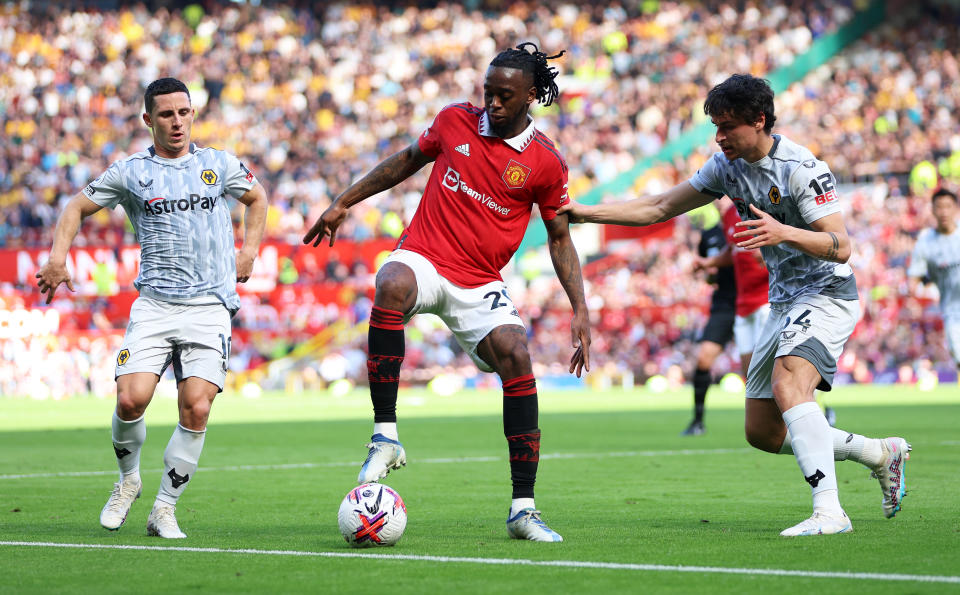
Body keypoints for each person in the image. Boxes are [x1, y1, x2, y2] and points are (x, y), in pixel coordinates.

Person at [560, 74, 910, 537]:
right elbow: (660, 206)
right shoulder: (726, 167)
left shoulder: (801, 168)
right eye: (715, 127)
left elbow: (842, 245)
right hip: (783, 302)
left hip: (828, 294)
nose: (719, 136)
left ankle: (830, 511)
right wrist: (586, 212)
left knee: (789, 381)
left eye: (727, 127)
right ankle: (879, 453)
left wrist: (785, 232)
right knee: (762, 432)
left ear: (759, 120)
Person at [303, 43, 590, 543]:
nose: (493, 104)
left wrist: (580, 308)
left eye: (504, 96)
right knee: (391, 282)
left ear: (530, 98)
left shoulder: (545, 163)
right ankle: (385, 435)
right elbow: (406, 161)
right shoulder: (455, 120)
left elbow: (561, 239)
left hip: (480, 281)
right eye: (488, 93)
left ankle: (523, 508)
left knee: (517, 356)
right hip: (426, 257)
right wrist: (343, 201)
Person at [36, 78, 268, 538]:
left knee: (196, 407)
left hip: (209, 306)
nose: (177, 122)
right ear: (148, 120)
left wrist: (249, 251)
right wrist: (57, 259)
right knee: (130, 398)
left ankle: (164, 508)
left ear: (193, 115)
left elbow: (257, 198)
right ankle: (128, 483)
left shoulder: (218, 164)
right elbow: (74, 209)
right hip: (156, 305)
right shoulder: (131, 172)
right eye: (166, 114)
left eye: (184, 112)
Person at [682, 203, 736, 436]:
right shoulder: (710, 233)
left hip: (756, 300)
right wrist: (705, 273)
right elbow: (709, 275)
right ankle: (698, 421)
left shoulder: (744, 223)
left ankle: (820, 409)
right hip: (724, 303)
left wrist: (709, 265)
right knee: (703, 360)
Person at [908, 188, 960, 381]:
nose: (944, 212)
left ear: (955, 208)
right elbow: (913, 281)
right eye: (939, 207)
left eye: (948, 206)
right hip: (953, 312)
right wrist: (925, 291)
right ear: (933, 210)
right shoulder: (926, 243)